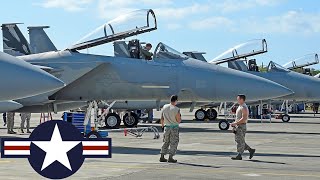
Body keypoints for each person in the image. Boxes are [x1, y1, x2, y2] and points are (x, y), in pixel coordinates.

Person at [230, 94, 255, 160]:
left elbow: (244, 118)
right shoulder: (240, 106)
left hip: (241, 126)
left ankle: (239, 155)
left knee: (240, 141)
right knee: (239, 140)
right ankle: (250, 150)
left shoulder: (243, 107)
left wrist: (236, 123)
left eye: (238, 99)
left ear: (241, 99)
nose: (237, 100)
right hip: (238, 125)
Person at [160, 95, 181, 163]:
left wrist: (162, 125)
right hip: (174, 127)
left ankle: (162, 156)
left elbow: (162, 117)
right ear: (176, 101)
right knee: (173, 142)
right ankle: (170, 157)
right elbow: (178, 120)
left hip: (166, 127)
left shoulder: (165, 106)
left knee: (166, 141)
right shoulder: (176, 109)